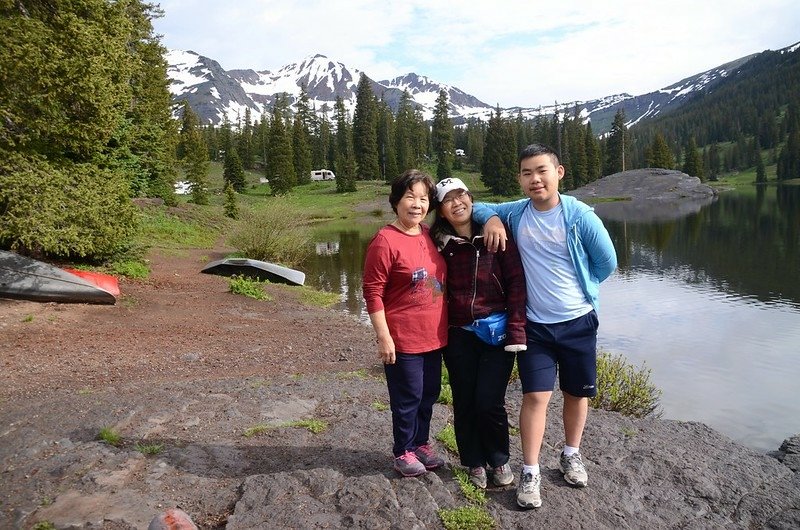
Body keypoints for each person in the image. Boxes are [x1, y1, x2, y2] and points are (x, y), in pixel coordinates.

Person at [473, 143, 617, 509]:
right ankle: (531, 471)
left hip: (578, 322)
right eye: (526, 173)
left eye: (542, 171)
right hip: (535, 326)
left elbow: (606, 263)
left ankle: (571, 454)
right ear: (520, 179)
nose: (535, 179)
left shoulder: (580, 215)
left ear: (559, 172)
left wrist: (579, 294)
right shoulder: (517, 213)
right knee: (535, 396)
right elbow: (476, 207)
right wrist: (490, 219)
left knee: (576, 393)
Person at [429, 177, 527, 490]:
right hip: (458, 335)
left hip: (497, 333)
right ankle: (473, 462)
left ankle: (498, 458)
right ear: (442, 211)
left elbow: (516, 283)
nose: (457, 203)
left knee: (489, 400)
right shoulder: (439, 244)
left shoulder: (496, 235)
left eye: (462, 196)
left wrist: (516, 331)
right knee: (465, 401)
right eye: (448, 200)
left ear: (471, 199)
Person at [362, 169, 448, 477]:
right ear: (396, 201)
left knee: (429, 393)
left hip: (434, 336)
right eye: (410, 197)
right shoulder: (384, 241)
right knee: (407, 395)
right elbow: (372, 292)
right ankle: (403, 450)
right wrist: (383, 337)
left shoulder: (427, 233)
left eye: (424, 198)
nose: (417, 204)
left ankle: (421, 443)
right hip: (403, 337)